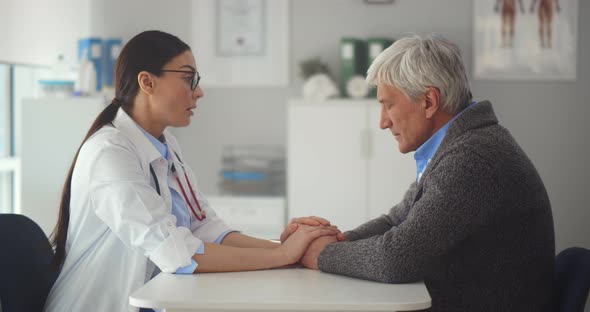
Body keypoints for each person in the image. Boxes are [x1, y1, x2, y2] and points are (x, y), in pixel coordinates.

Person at [43, 30, 339, 312]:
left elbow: (205, 227)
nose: (199, 92)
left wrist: (283, 247)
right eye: (188, 79)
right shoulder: (110, 153)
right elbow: (174, 252)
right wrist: (282, 256)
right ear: (147, 82)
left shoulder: (165, 143)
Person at [282, 34, 555, 311]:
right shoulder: (459, 145)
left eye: (389, 105)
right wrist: (337, 239)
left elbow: (396, 259)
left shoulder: (473, 158)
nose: (382, 122)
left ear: (428, 101)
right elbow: (396, 220)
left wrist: (321, 253)